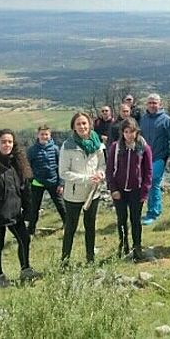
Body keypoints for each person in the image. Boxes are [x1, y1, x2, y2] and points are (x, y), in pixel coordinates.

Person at [0, 129, 41, 287]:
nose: (7, 145)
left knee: (24, 240)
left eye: (10, 142)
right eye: (3, 142)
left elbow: (25, 191)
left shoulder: (18, 164)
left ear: (14, 144)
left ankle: (25, 269)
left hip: (15, 213)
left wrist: (28, 213)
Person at [59, 112, 106, 265]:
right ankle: (65, 261)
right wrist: (86, 178)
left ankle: (90, 258)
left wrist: (100, 173)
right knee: (71, 228)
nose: (82, 126)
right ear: (73, 127)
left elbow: (102, 164)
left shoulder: (96, 142)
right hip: (73, 194)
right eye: (78, 124)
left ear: (90, 124)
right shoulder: (67, 146)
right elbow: (63, 172)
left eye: (84, 123)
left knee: (90, 226)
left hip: (93, 193)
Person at [106, 117, 152, 261]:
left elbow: (148, 172)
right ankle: (123, 245)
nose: (129, 135)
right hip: (119, 190)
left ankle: (137, 247)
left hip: (136, 190)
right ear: (122, 133)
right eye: (126, 132)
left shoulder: (144, 147)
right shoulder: (116, 147)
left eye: (132, 131)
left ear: (137, 132)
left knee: (135, 219)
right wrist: (113, 189)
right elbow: (109, 170)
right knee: (121, 219)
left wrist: (144, 192)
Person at [139, 93, 170, 226]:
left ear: (160, 104)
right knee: (145, 183)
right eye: (150, 103)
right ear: (146, 104)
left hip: (159, 157)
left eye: (155, 103)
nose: (152, 105)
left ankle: (153, 213)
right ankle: (152, 209)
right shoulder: (143, 119)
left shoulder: (166, 120)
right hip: (143, 158)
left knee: (153, 182)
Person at [26, 124, 67, 235]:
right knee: (34, 207)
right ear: (37, 135)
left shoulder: (55, 149)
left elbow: (61, 166)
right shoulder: (32, 150)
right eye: (42, 134)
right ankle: (31, 230)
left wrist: (61, 183)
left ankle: (67, 224)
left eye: (46, 134)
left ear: (50, 135)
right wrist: (30, 179)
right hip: (37, 182)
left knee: (60, 205)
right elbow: (27, 166)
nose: (44, 136)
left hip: (53, 181)